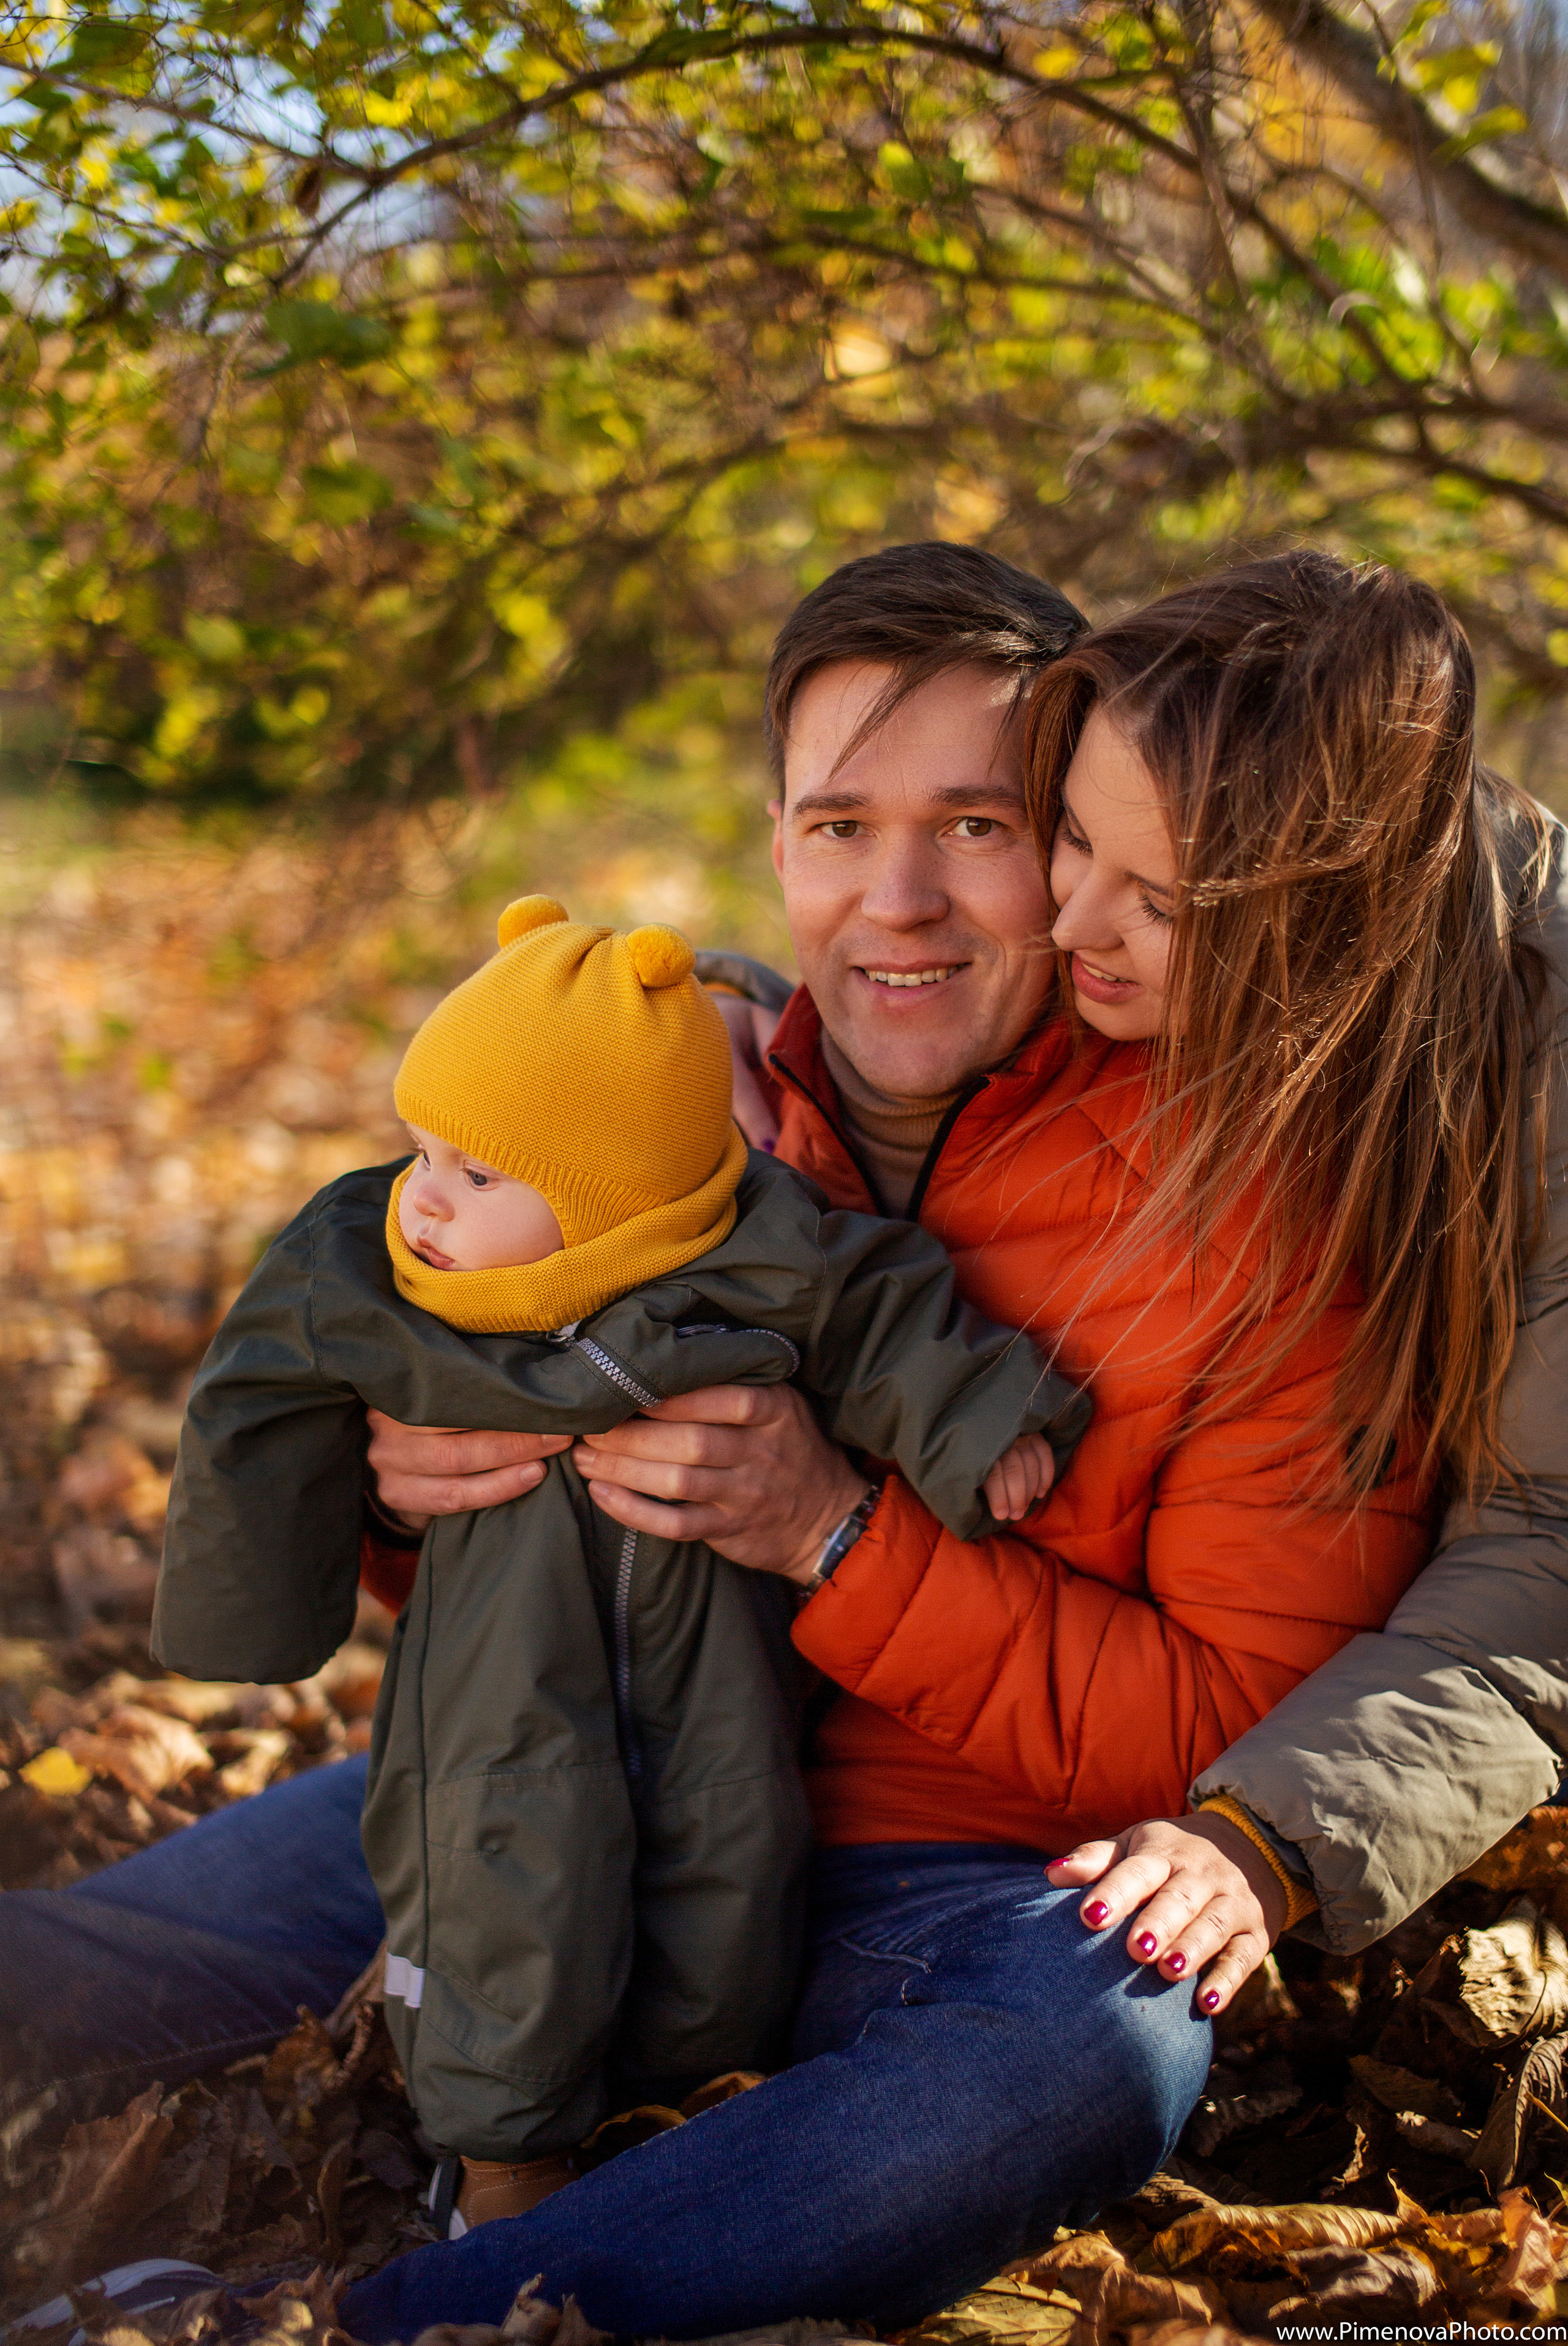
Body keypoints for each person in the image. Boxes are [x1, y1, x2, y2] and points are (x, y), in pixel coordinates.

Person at [0, 541, 1554, 2341]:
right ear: (776, 843)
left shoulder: (1265, 1211)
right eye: (837, 827)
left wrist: (836, 1537)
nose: (899, 900)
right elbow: (421, 1382)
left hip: (933, 1864)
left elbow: (1218, 1717)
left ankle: (378, 2324)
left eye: (977, 826)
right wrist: (393, 1481)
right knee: (63, 1971)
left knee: (1101, 2046)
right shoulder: (669, 1106)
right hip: (552, 1776)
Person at [153, 896, 1082, 2235]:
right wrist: (255, 1595)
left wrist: (981, 1421)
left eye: (480, 1177)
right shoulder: (375, 1265)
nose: (427, 1197)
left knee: (729, 1888)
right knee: (499, 1894)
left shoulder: (744, 1251)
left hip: (717, 1675)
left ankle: (678, 2114)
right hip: (496, 1689)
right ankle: (499, 2165)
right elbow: (257, 1385)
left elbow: (880, 1306)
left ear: (613, 1201)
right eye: (422, 1151)